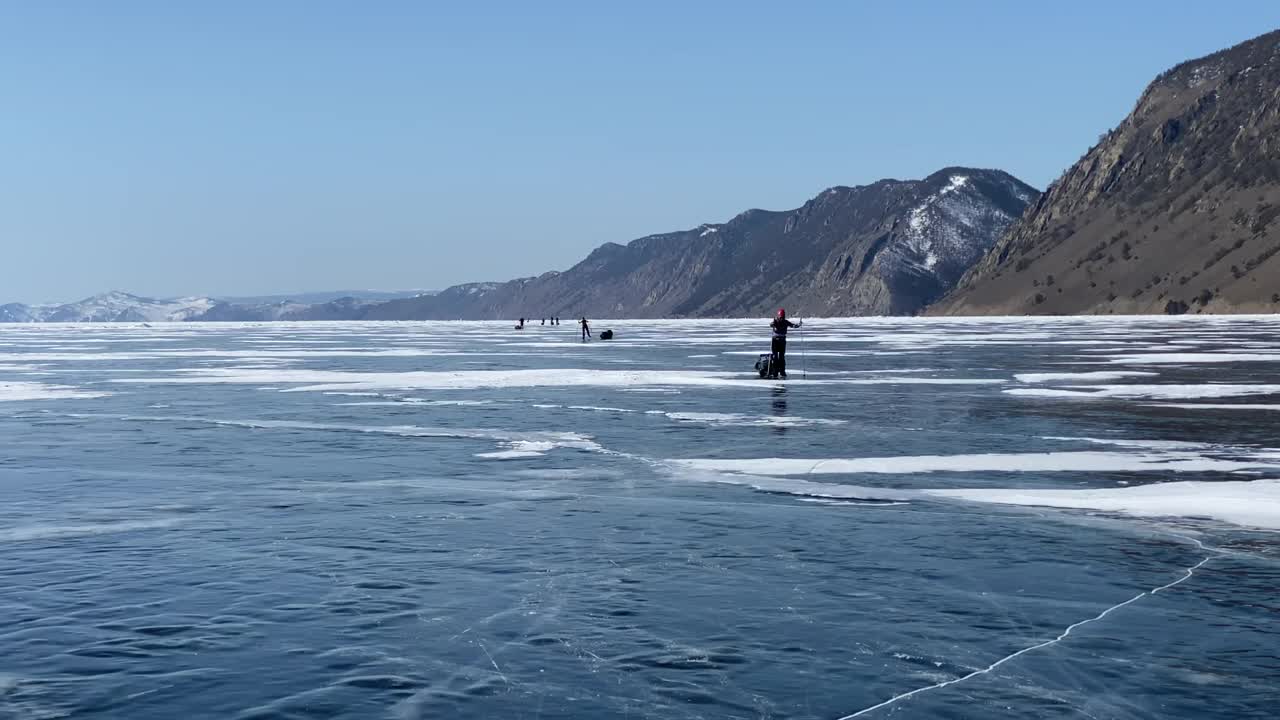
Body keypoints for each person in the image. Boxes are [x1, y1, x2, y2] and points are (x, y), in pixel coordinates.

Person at [768, 308, 801, 379]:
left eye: (783, 317)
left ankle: (782, 371)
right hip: (775, 341)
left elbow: (793, 325)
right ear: (779, 316)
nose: (782, 318)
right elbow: (771, 324)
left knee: (781, 357)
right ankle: (775, 372)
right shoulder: (775, 321)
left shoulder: (785, 322)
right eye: (781, 317)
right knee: (775, 357)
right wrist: (772, 324)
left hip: (782, 341)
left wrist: (798, 325)